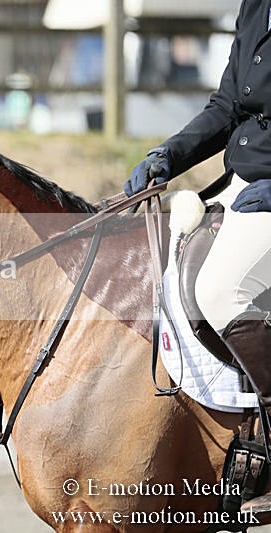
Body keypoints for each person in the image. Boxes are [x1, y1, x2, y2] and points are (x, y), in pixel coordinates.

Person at [125, 0, 271, 512]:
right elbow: (229, 104)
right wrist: (168, 154)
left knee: (219, 288)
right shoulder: (256, 7)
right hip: (247, 179)